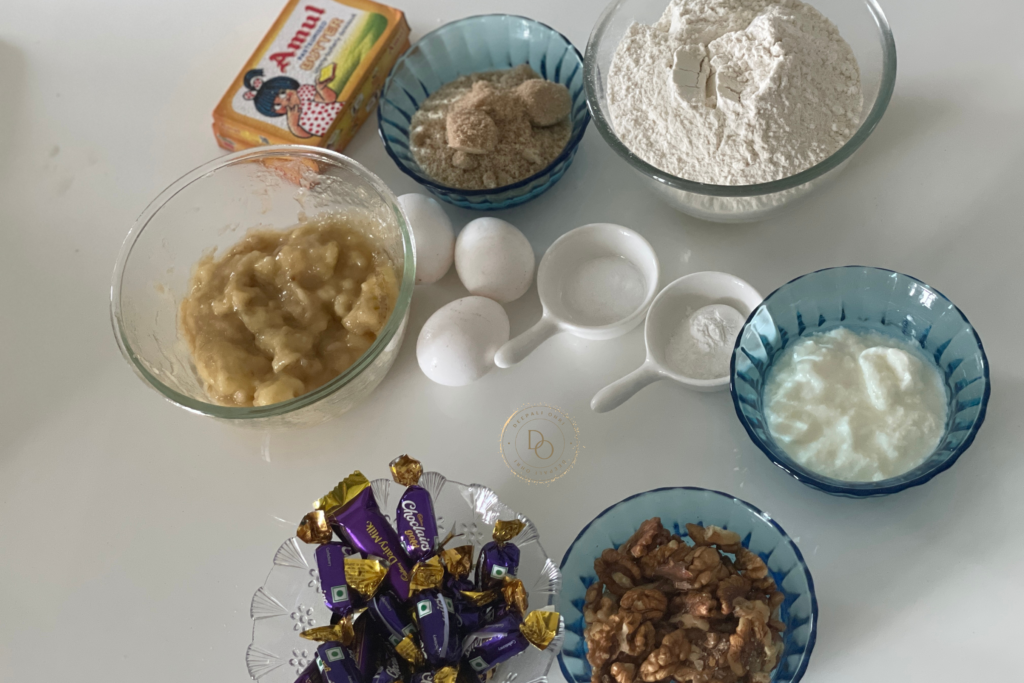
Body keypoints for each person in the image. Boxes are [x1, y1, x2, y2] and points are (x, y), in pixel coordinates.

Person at [241, 68, 343, 139]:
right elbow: (307, 135)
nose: (285, 101)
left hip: (340, 112)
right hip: (330, 134)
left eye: (281, 93)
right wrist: (294, 125)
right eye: (277, 105)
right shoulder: (292, 118)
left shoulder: (304, 92)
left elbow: (330, 99)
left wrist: (321, 89)